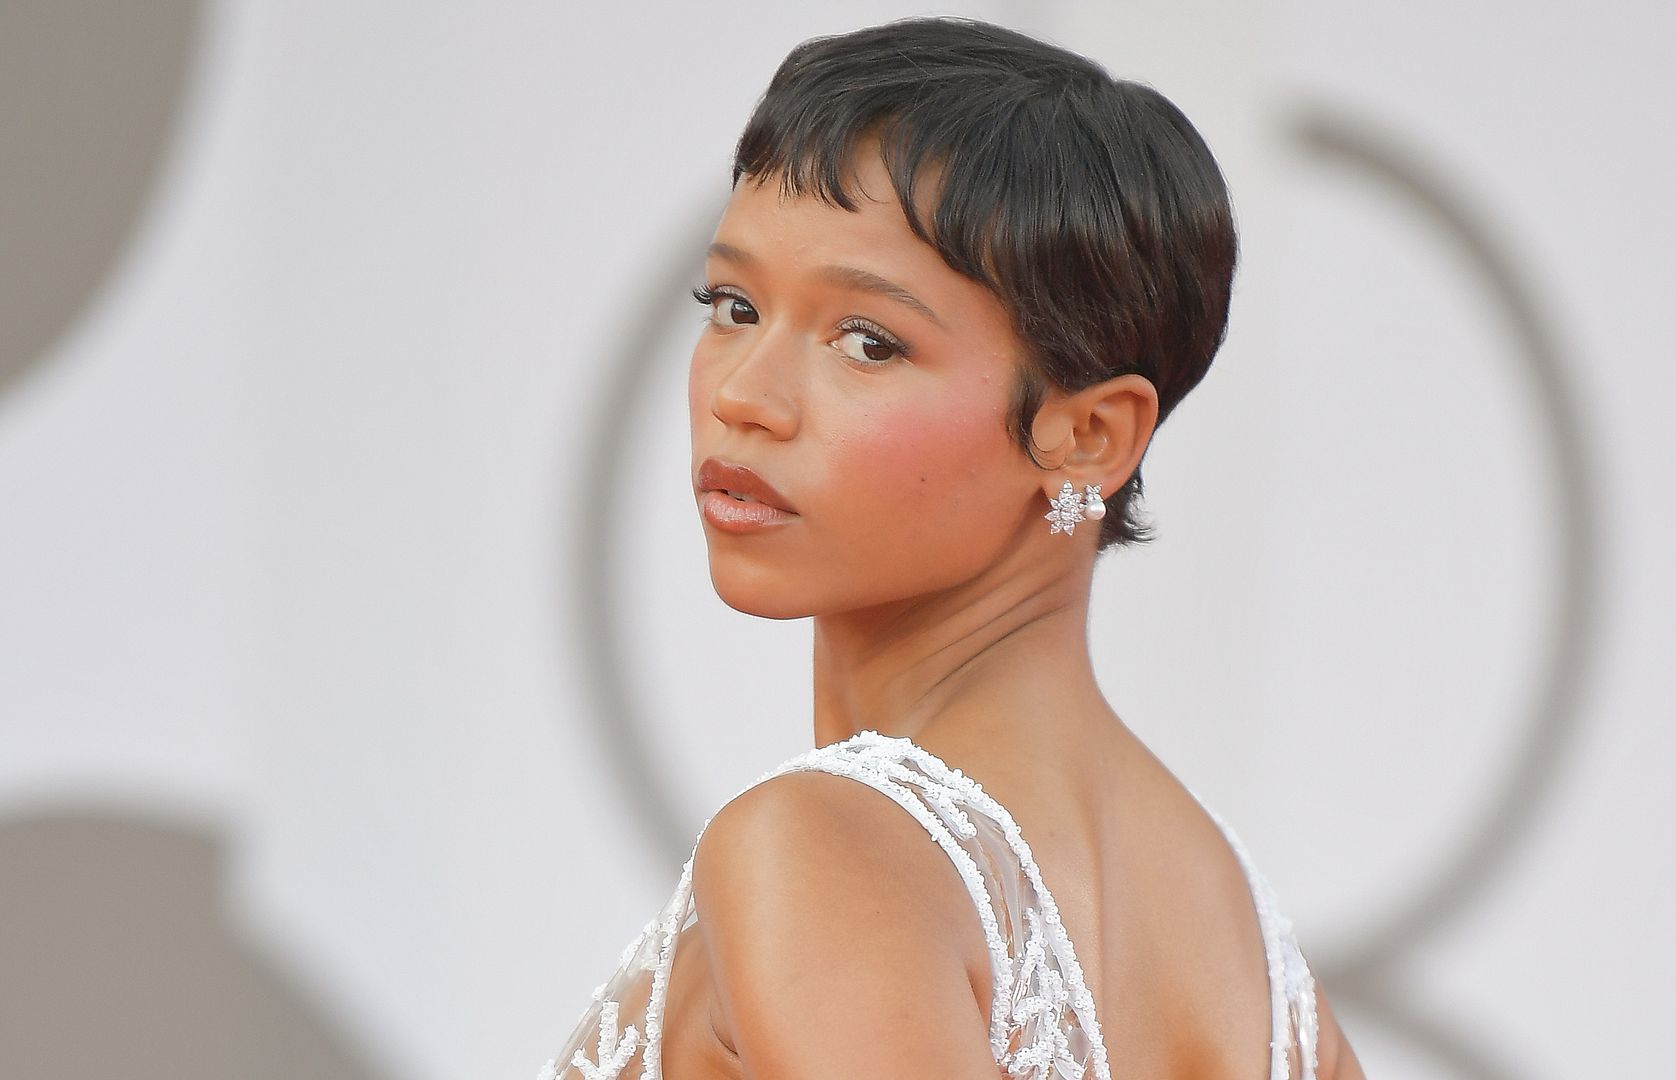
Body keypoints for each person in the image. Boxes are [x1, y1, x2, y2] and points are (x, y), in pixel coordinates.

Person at [538, 15, 1363, 1080]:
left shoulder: (820, 850)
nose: (744, 396)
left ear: (1085, 435)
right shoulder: (1243, 945)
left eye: (867, 341)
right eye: (733, 305)